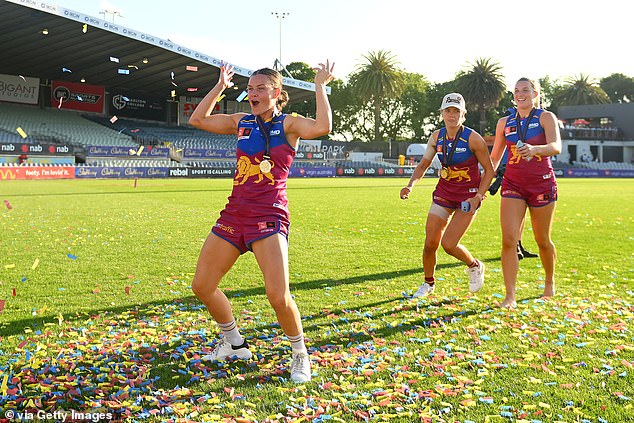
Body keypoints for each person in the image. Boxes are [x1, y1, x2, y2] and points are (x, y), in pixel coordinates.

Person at [188, 60, 335, 383]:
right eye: (250, 88)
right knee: (202, 285)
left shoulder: (290, 124)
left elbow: (323, 126)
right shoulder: (241, 121)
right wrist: (219, 88)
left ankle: (300, 354)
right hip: (234, 214)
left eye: (260, 89)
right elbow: (197, 119)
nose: (252, 94)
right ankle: (235, 343)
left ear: (276, 93)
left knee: (277, 295)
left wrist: (320, 86)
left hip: (269, 216)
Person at [400, 93, 494, 298]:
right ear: (442, 113)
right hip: (444, 193)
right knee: (430, 243)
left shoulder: (473, 138)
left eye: (456, 111)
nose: (452, 115)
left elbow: (489, 170)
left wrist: (478, 196)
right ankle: (428, 284)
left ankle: (475, 265)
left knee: (449, 244)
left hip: (467, 197)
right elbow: (424, 164)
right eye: (448, 110)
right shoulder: (436, 137)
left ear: (463, 115)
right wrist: (410, 186)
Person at [490, 77, 562, 308]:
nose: (520, 94)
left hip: (541, 184)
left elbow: (555, 146)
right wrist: (480, 186)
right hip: (513, 184)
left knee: (542, 240)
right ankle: (510, 296)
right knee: (509, 239)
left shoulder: (545, 117)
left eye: (526, 90)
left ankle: (549, 282)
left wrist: (535, 149)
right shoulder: (504, 122)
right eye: (517, 90)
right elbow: (494, 158)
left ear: (536, 94)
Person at [488, 148, 539, 260]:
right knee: (514, 214)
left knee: (522, 211)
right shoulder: (510, 132)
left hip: (525, 171)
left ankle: (518, 244)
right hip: (511, 170)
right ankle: (514, 245)